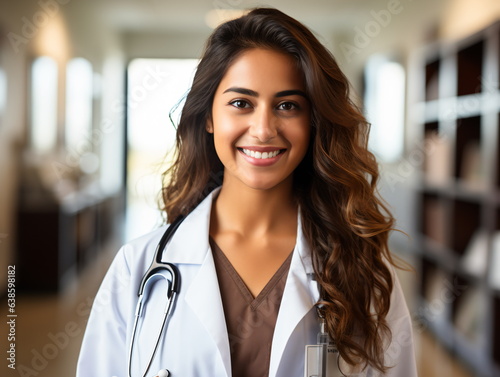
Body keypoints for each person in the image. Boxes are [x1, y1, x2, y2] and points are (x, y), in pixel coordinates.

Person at [77, 7, 417, 377]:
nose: (263, 129)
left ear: (314, 121)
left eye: (287, 106)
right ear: (208, 117)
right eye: (241, 103)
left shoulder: (364, 270)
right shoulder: (138, 268)